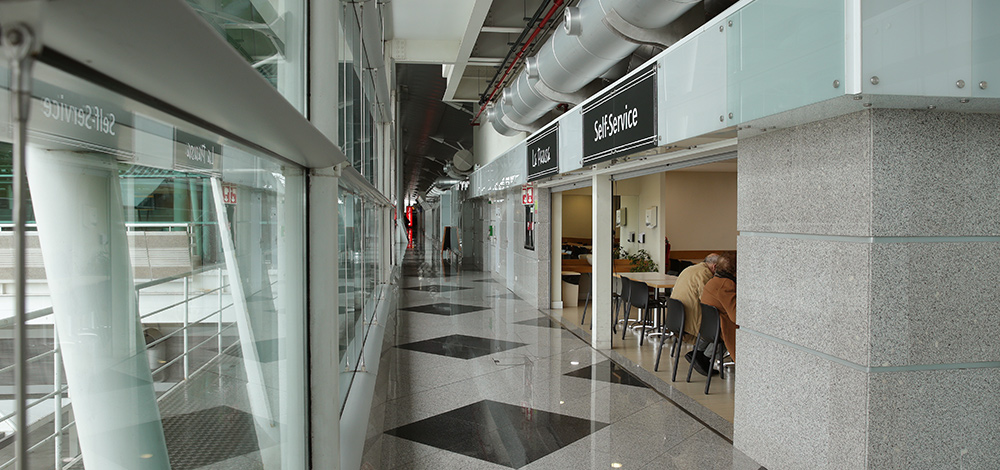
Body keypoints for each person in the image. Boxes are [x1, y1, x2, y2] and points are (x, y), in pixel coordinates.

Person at [669, 253, 719, 344]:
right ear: (714, 266)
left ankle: (702, 351)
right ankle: (702, 351)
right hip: (690, 322)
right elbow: (707, 300)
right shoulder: (704, 273)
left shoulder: (689, 269)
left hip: (676, 319)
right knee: (722, 326)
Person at [701, 251, 737, 363]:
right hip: (722, 329)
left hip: (708, 328)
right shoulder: (726, 285)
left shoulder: (713, 281)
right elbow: (736, 317)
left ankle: (703, 356)